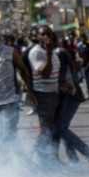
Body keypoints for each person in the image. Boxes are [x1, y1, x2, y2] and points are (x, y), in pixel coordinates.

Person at [54, 39, 89, 167]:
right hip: (67, 96)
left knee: (61, 128)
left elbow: (68, 86)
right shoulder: (60, 60)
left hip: (71, 97)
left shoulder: (61, 60)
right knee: (62, 128)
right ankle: (74, 159)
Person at [28, 26, 63, 164]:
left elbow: (55, 72)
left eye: (48, 34)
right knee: (46, 129)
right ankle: (37, 158)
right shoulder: (37, 52)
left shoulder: (51, 51)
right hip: (43, 94)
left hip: (53, 93)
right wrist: (48, 53)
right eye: (42, 34)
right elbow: (45, 73)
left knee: (52, 128)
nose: (46, 37)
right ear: (37, 37)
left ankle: (50, 158)